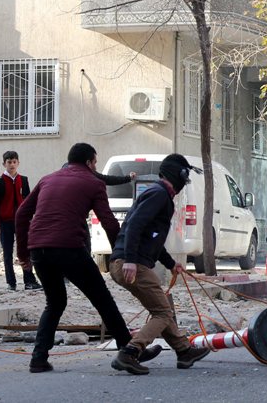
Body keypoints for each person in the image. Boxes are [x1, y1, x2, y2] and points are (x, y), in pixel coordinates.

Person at [15, 143, 158, 374]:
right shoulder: (93, 182)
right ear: (91, 162)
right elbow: (109, 222)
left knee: (55, 302)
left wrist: (23, 254)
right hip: (69, 248)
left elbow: (22, 214)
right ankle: (128, 351)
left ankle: (38, 358)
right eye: (96, 163)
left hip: (39, 249)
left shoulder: (47, 179)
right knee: (102, 299)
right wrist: (119, 255)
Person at [108, 154, 210, 375]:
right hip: (131, 264)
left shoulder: (159, 194)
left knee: (161, 308)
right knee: (163, 312)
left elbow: (152, 239)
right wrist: (132, 260)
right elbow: (135, 225)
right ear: (178, 176)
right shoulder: (159, 195)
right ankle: (129, 353)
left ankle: (184, 352)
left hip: (128, 261)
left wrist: (172, 263)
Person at [0, 150, 40, 291]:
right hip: (5, 223)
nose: (12, 165)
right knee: (7, 252)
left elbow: (29, 201)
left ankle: (29, 281)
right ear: (4, 164)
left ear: (18, 163)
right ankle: (11, 283)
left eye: (14, 162)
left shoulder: (23, 180)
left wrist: (31, 219)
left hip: (22, 222)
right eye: (9, 162)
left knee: (24, 251)